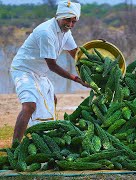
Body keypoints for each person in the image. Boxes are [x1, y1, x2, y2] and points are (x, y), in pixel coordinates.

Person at [10, 0, 89, 144]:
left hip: (40, 72)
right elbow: (52, 65)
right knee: (29, 106)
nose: (70, 25)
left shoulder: (66, 32)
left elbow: (76, 54)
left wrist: (92, 67)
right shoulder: (46, 32)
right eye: (67, 20)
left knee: (53, 100)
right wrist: (77, 79)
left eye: (73, 21)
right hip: (24, 70)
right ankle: (14, 147)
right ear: (59, 16)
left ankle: (38, 138)